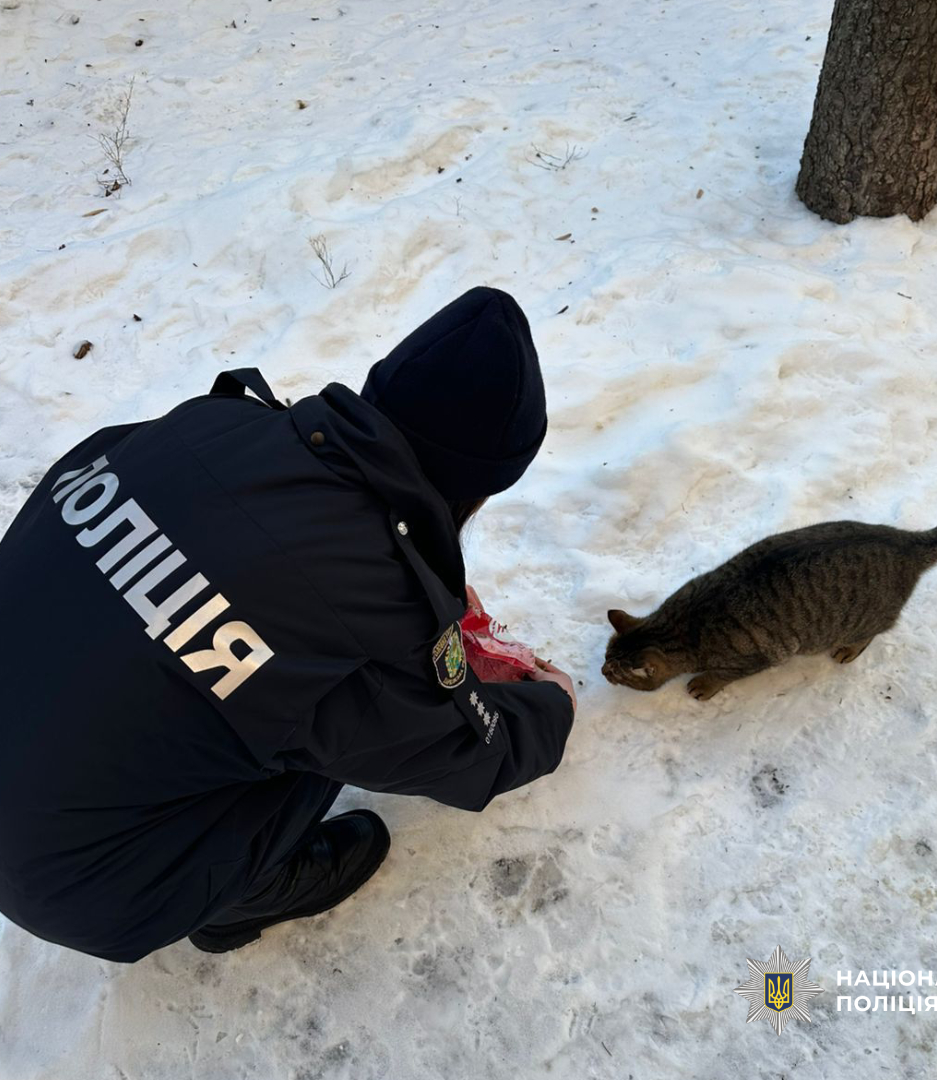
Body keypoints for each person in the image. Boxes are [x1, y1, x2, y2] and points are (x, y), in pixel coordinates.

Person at [0, 287, 577, 961]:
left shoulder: (217, 422)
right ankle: (239, 897)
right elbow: (460, 753)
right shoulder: (358, 612)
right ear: (478, 483)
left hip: (37, 727)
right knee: (316, 720)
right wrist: (551, 708)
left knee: (260, 694)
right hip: (74, 885)